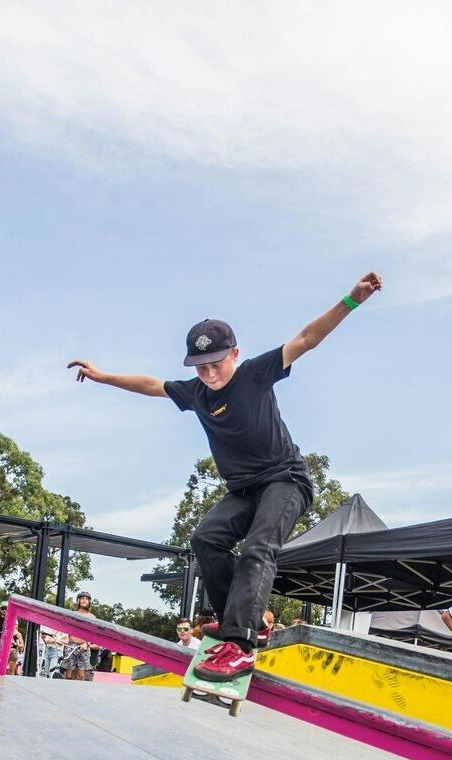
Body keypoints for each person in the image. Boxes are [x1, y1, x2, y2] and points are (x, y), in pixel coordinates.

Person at [69, 271, 382, 682]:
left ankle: (240, 645)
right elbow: (151, 385)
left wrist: (352, 300)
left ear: (235, 353)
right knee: (205, 539)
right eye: (200, 368)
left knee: (258, 547)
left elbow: (307, 338)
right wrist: (103, 376)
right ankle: (242, 622)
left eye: (216, 364)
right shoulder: (196, 393)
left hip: (286, 481)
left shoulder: (256, 372)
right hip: (244, 491)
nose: (210, 375)